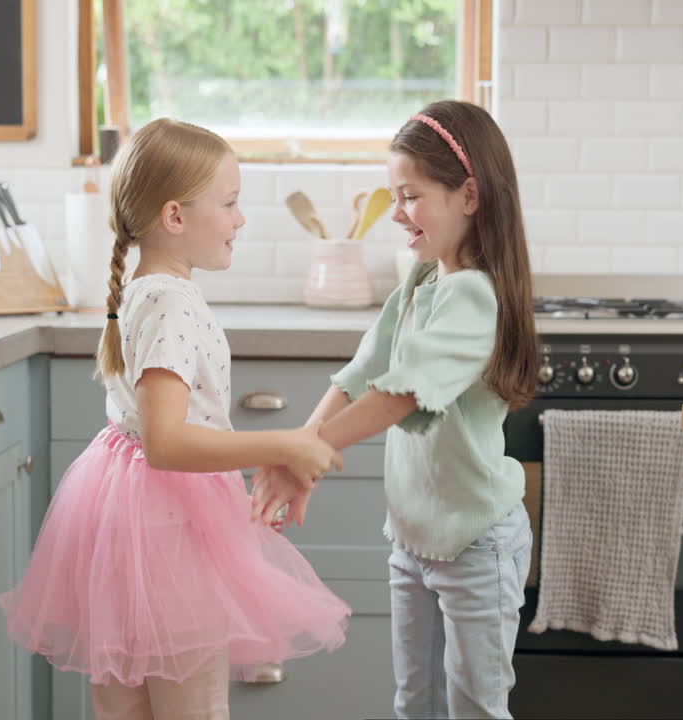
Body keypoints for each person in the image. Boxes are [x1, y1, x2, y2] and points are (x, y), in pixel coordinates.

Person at [0, 117, 351, 720]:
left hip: (125, 514)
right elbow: (165, 441)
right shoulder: (173, 301)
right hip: (171, 525)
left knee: (124, 704)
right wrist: (284, 444)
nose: (240, 219)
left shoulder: (142, 289)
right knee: (195, 706)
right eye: (231, 203)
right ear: (175, 218)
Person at [251, 100, 541, 719]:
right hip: (413, 540)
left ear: (469, 195)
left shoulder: (473, 296)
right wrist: (297, 452)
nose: (399, 214)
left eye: (410, 197)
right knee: (417, 704)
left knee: (475, 709)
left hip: (475, 543)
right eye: (394, 196)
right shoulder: (421, 281)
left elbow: (402, 391)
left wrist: (311, 453)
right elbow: (362, 373)